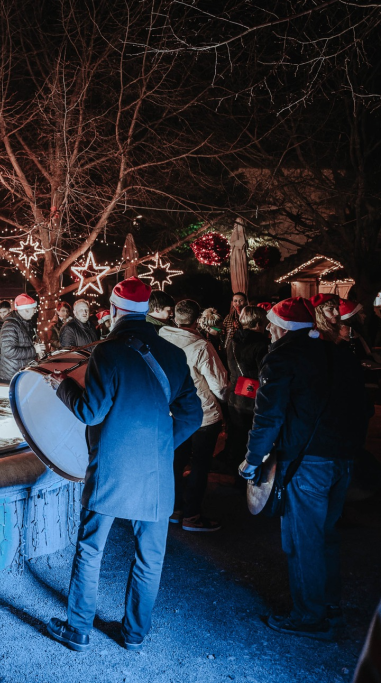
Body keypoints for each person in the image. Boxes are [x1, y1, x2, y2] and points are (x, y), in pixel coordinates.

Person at [47, 278, 202, 652]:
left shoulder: (108, 351)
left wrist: (62, 386)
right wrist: (161, 446)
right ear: (146, 311)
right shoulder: (172, 353)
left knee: (91, 549)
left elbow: (91, 411)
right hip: (157, 472)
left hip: (112, 469)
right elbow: (192, 415)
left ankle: (78, 629)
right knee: (150, 557)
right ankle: (134, 635)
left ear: (115, 310)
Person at [238, 298, 371, 641]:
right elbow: (364, 408)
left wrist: (252, 459)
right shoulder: (339, 354)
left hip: (306, 461)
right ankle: (330, 606)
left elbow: (268, 416)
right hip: (342, 458)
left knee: (303, 539)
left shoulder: (282, 357)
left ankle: (310, 617)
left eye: (271, 324)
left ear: (282, 327)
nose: (268, 329)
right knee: (325, 535)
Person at [159, 299, 228, 532]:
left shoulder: (161, 339)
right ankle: (192, 516)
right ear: (197, 320)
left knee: (176, 461)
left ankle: (175, 509)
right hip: (202, 413)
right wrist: (225, 399)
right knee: (200, 464)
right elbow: (219, 385)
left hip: (173, 410)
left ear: (175, 317)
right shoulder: (201, 346)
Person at [221, 305, 269, 470]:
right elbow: (265, 373)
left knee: (237, 437)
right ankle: (247, 474)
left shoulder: (233, 341)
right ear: (259, 322)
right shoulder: (262, 344)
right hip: (254, 398)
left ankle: (233, 469)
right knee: (251, 439)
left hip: (236, 395)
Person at [0, 294, 45, 383]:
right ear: (26, 310)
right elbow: (9, 351)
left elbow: (22, 343)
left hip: (20, 373)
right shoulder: (10, 325)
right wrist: (34, 350)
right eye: (34, 309)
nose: (35, 311)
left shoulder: (23, 322)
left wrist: (33, 346)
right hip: (12, 375)